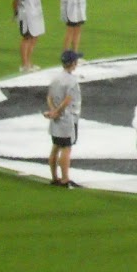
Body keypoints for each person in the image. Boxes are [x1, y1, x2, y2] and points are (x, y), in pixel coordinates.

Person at [44, 49, 83, 187]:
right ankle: (65, 179)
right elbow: (68, 100)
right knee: (66, 148)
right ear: (73, 63)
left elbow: (49, 97)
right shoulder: (71, 81)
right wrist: (58, 111)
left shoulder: (56, 78)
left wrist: (53, 111)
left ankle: (54, 178)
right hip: (67, 119)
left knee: (55, 147)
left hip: (56, 119)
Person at [12, 0, 45, 73]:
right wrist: (16, 12)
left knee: (35, 37)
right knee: (27, 38)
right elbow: (16, 0)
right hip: (26, 16)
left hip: (35, 14)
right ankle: (24, 64)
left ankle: (29, 62)